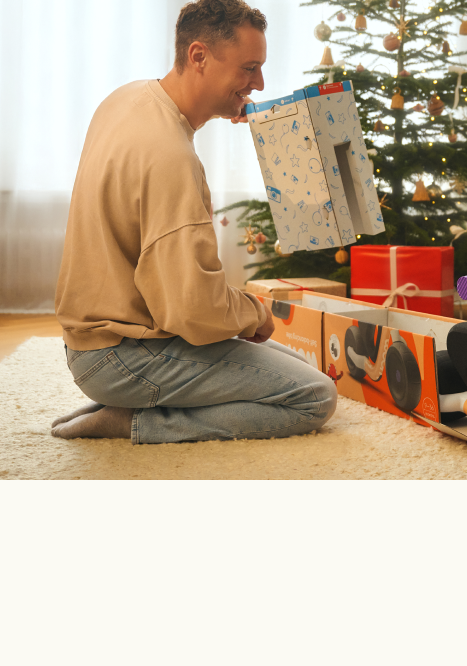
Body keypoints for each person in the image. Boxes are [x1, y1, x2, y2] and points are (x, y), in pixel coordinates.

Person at [51, 0, 337, 444]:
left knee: (298, 369)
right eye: (248, 68)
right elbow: (192, 311)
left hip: (96, 343)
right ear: (198, 56)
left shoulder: (130, 99)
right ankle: (134, 421)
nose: (258, 84)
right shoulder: (171, 159)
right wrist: (254, 313)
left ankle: (127, 401)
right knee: (314, 395)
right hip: (123, 355)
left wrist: (235, 102)